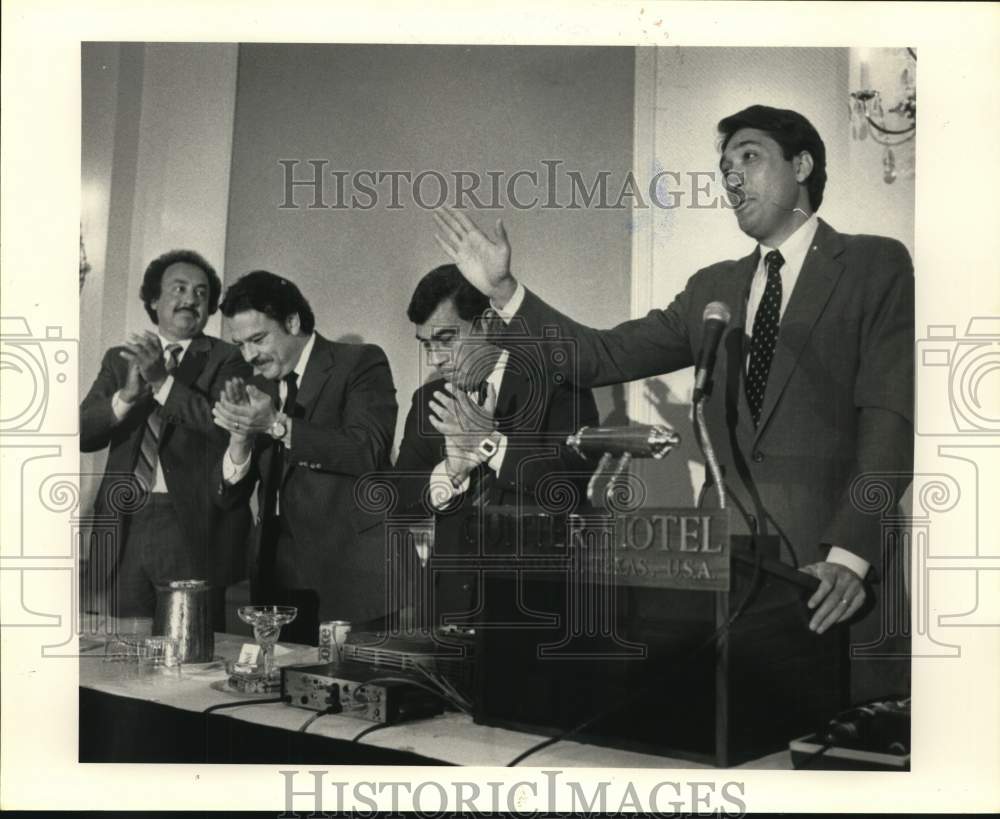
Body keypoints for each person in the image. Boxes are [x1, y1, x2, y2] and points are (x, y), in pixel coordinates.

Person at [433, 105, 914, 648]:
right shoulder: (713, 288)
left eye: (749, 157)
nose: (731, 177)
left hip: (832, 575)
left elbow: (889, 425)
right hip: (727, 574)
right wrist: (504, 291)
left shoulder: (874, 265)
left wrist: (851, 556)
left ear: (801, 165)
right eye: (724, 168)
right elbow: (601, 356)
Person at [393, 264, 599, 628]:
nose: (435, 358)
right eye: (427, 344)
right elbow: (399, 505)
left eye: (446, 339)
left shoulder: (560, 384)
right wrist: (450, 472)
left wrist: (488, 445)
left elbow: (570, 485)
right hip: (448, 611)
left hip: (535, 612)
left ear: (488, 322)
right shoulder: (428, 401)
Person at [211, 270, 398, 644]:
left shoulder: (359, 362)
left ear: (293, 321)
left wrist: (277, 424)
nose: (250, 356)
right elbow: (230, 497)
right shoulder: (258, 385)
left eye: (258, 339)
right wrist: (239, 442)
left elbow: (368, 450)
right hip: (273, 579)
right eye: (240, 344)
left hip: (349, 578)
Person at [80, 249, 252, 629]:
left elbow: (222, 427)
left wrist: (161, 380)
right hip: (123, 522)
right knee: (125, 651)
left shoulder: (228, 359)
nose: (191, 299)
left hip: (192, 524)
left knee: (187, 652)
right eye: (179, 288)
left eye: (202, 293)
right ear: (154, 300)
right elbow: (84, 431)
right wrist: (125, 397)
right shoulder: (119, 358)